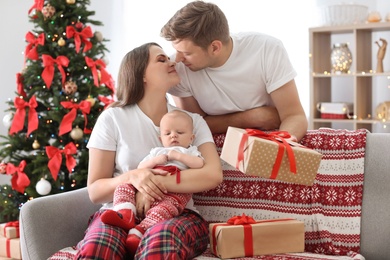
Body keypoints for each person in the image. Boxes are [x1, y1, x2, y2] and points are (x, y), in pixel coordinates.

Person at [71, 42, 222, 259]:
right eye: (161, 60)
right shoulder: (112, 118)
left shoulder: (193, 122)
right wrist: (133, 177)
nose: (172, 62)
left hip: (177, 213)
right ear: (141, 74)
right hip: (119, 212)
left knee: (160, 243)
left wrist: (150, 185)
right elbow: (95, 191)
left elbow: (212, 175)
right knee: (98, 248)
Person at [161, 0, 308, 142]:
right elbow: (194, 126)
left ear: (215, 47)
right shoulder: (179, 69)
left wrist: (277, 147)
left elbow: (294, 116)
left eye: (186, 53)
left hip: (270, 139)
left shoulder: (266, 49)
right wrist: (250, 118)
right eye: (176, 50)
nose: (178, 59)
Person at [100, 109, 205, 256]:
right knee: (123, 186)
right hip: (145, 186)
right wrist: (156, 160)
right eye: (168, 133)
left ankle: (139, 231)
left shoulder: (190, 151)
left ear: (191, 138)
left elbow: (199, 164)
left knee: (164, 210)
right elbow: (140, 168)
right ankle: (125, 213)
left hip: (174, 193)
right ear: (161, 138)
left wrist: (178, 156)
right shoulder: (157, 152)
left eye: (180, 132)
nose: (173, 135)